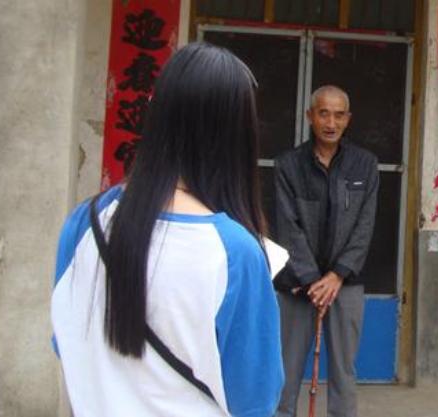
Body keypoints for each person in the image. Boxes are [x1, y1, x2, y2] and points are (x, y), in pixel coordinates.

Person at [51, 42, 284, 417]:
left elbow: (66, 341)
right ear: (237, 136)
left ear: (156, 114)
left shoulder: (84, 223)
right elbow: (254, 400)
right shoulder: (235, 254)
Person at [273, 85, 379, 417]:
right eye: (323, 114)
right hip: (297, 284)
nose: (331, 123)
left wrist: (336, 275)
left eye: (338, 115)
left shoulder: (365, 165)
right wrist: (312, 280)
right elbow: (288, 227)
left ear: (348, 119)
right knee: (286, 369)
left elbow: (364, 226)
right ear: (310, 116)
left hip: (345, 283)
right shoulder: (288, 165)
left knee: (344, 372)